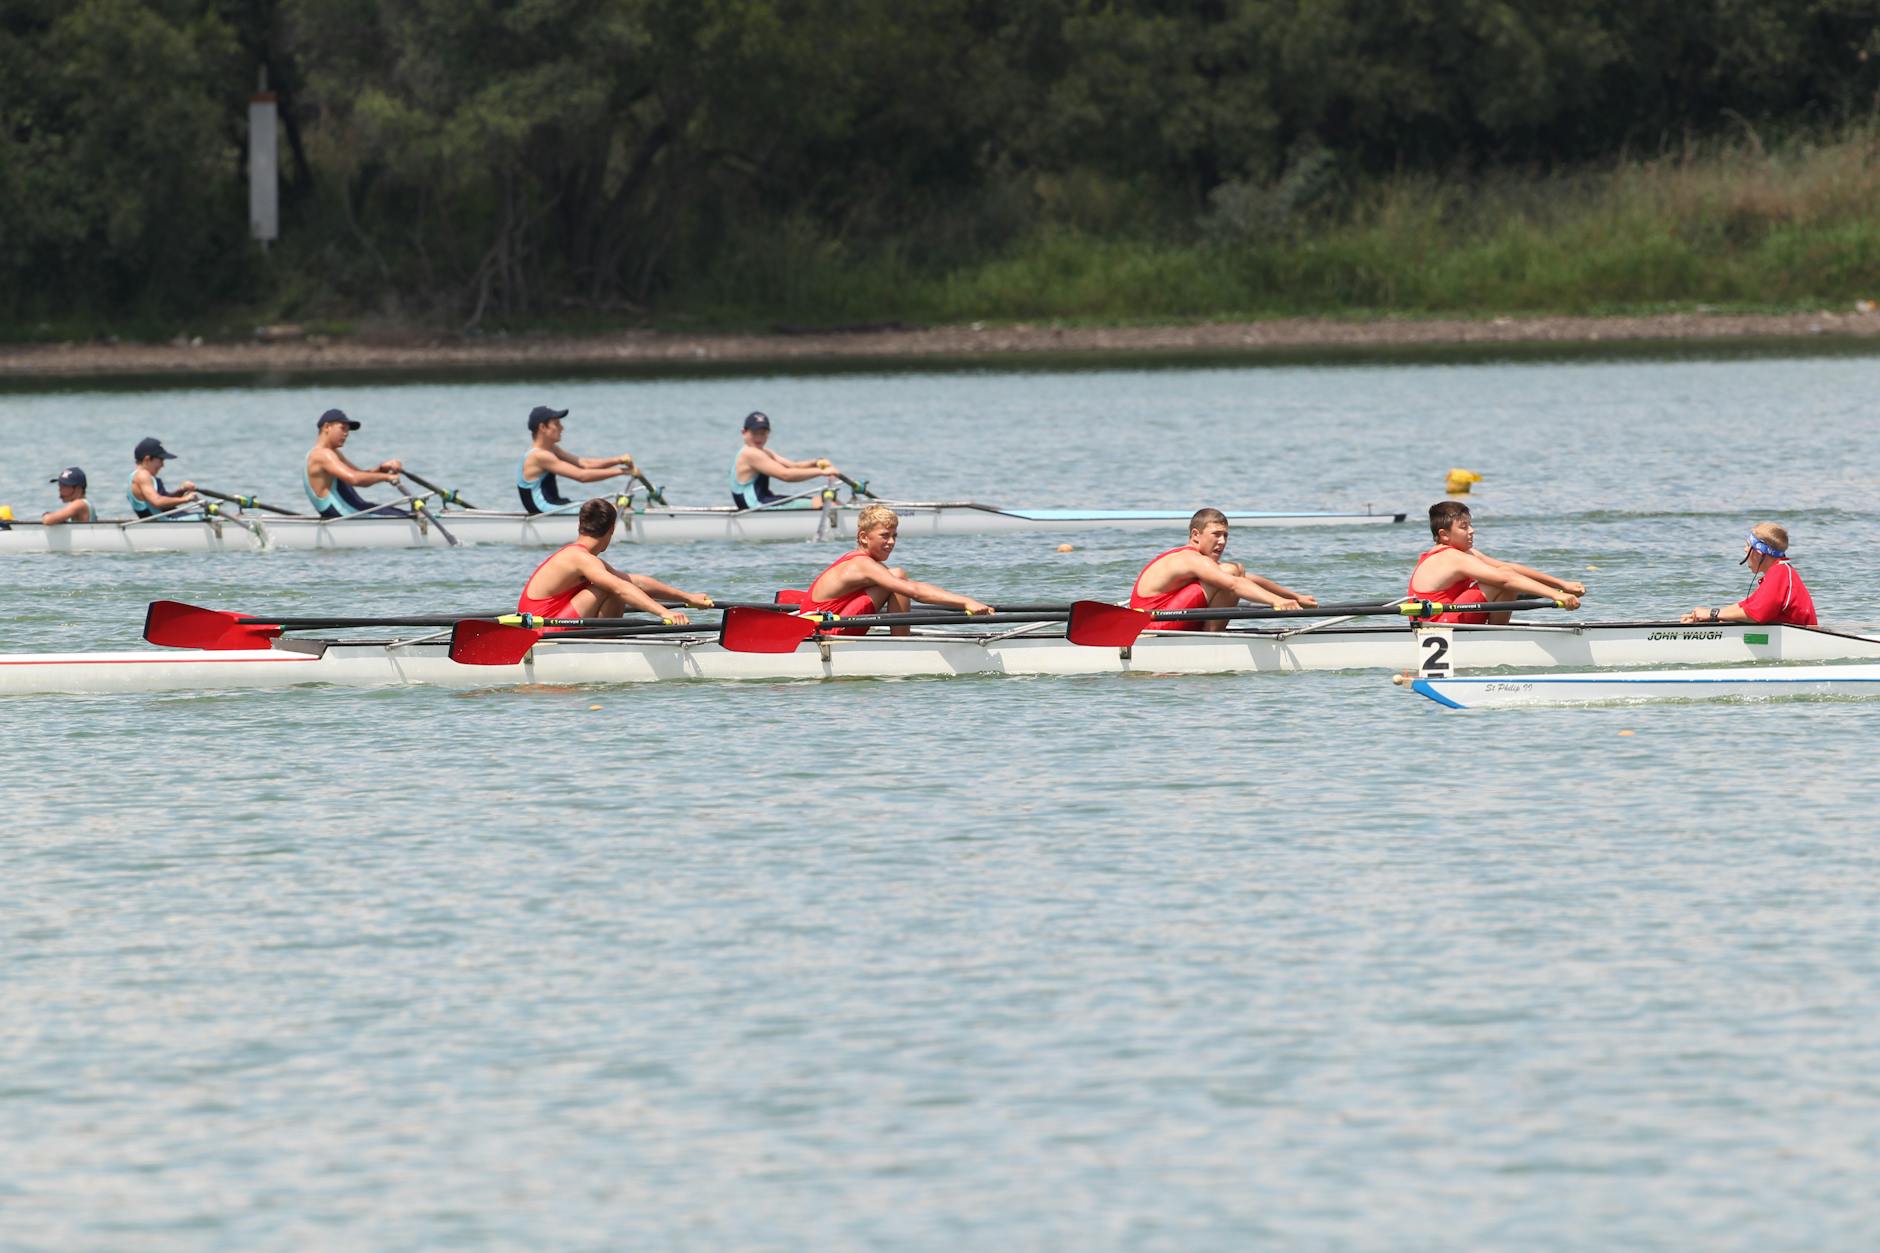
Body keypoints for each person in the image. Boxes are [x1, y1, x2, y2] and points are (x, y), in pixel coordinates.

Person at [794, 503, 992, 635]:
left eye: (894, 536)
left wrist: (966, 602)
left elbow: (915, 587)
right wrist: (966, 602)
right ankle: (902, 644)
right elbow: (914, 592)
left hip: (826, 625)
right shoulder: (861, 565)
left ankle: (901, 640)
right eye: (884, 535)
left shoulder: (865, 563)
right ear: (863, 537)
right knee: (897, 577)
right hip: (823, 632)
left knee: (897, 577)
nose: (891, 542)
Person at [517, 497, 712, 624]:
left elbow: (636, 582)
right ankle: (606, 644)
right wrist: (664, 613)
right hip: (542, 632)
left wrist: (687, 598)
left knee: (618, 583)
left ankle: (605, 641)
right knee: (610, 587)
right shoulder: (582, 559)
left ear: (580, 525)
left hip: (547, 624)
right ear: (612, 530)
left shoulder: (579, 556)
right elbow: (621, 588)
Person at [1128, 507, 1319, 631]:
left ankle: (1208, 636)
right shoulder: (1190, 559)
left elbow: (1248, 580)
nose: (1222, 542)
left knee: (1236, 569)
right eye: (1216, 535)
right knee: (1230, 572)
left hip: (1163, 620)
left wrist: (1294, 597)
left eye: (1225, 536)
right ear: (1196, 535)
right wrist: (1277, 601)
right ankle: (1211, 639)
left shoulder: (1200, 563)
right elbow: (1235, 584)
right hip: (1151, 626)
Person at [1410, 501, 1583, 623]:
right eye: (1464, 527)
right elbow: (1506, 578)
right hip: (1437, 626)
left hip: (1447, 620)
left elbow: (1507, 568)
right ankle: (1498, 635)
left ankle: (1498, 632)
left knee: (1504, 577)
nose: (1472, 530)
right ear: (1444, 534)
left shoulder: (1463, 554)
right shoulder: (1452, 558)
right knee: (1499, 583)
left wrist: (1563, 584)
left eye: (1470, 525)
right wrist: (1556, 595)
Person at [1681, 523, 1816, 626]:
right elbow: (1745, 606)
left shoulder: (1779, 573)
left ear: (1759, 552)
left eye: (1748, 545)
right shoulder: (1779, 571)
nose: (1745, 549)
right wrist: (1707, 616)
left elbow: (1756, 614)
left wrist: (1712, 614)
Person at [517, 405, 637, 514]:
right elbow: (581, 476)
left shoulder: (552, 449)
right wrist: (623, 472)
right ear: (543, 427)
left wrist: (619, 460)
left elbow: (584, 464)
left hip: (554, 504)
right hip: (544, 508)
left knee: (607, 506)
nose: (562, 428)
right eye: (557, 424)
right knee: (610, 509)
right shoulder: (539, 456)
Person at [730, 411, 842, 509]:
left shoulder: (763, 451)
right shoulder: (750, 453)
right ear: (743, 432)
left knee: (824, 501)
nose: (759, 438)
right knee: (826, 503)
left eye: (763, 433)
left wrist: (815, 462)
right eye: (755, 433)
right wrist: (821, 472)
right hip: (756, 505)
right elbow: (785, 475)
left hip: (763, 501)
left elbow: (793, 466)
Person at [305, 409, 404, 518]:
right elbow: (355, 479)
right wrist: (387, 477)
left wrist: (381, 469)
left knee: (401, 512)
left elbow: (358, 474)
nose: (346, 434)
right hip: (345, 513)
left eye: (348, 430)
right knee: (407, 516)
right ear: (327, 427)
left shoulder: (332, 453)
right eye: (342, 428)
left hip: (352, 509)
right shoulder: (322, 455)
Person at [127, 437, 198, 519]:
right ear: (147, 459)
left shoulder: (135, 476)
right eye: (161, 460)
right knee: (211, 517)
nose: (162, 465)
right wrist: (186, 499)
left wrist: (181, 491)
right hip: (167, 523)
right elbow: (157, 501)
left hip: (165, 521)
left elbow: (164, 504)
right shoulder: (143, 475)